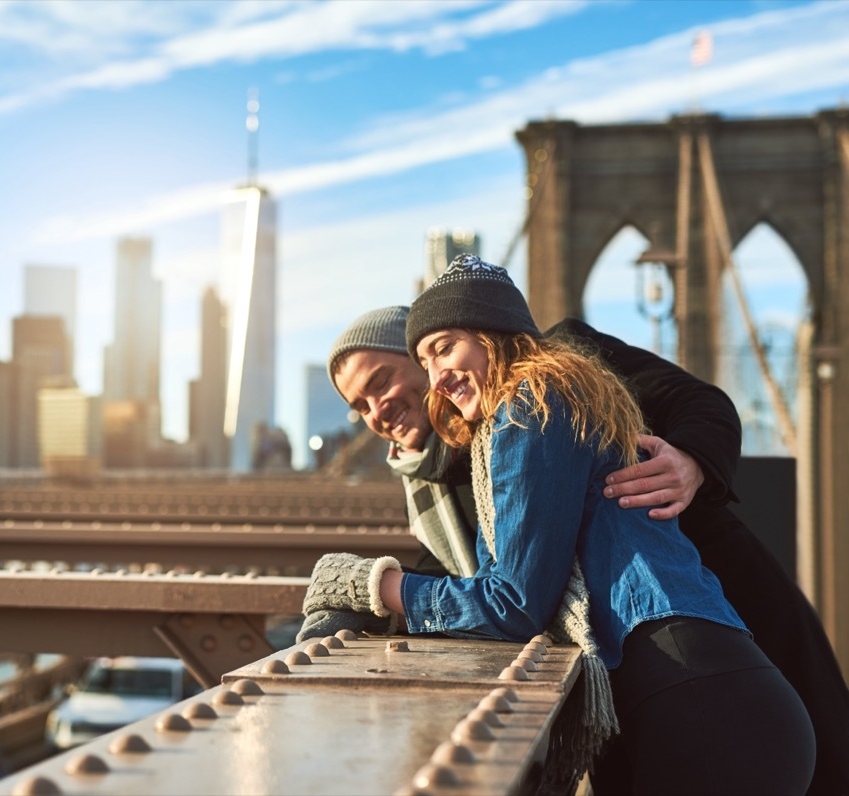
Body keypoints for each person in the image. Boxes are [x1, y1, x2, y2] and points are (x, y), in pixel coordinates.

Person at [300, 254, 818, 794]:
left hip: (697, 698)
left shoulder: (531, 406)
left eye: (444, 348)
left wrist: (375, 585)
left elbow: (513, 603)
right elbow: (482, 579)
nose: (438, 377)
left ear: (492, 331)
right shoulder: (529, 416)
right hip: (676, 698)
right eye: (426, 360)